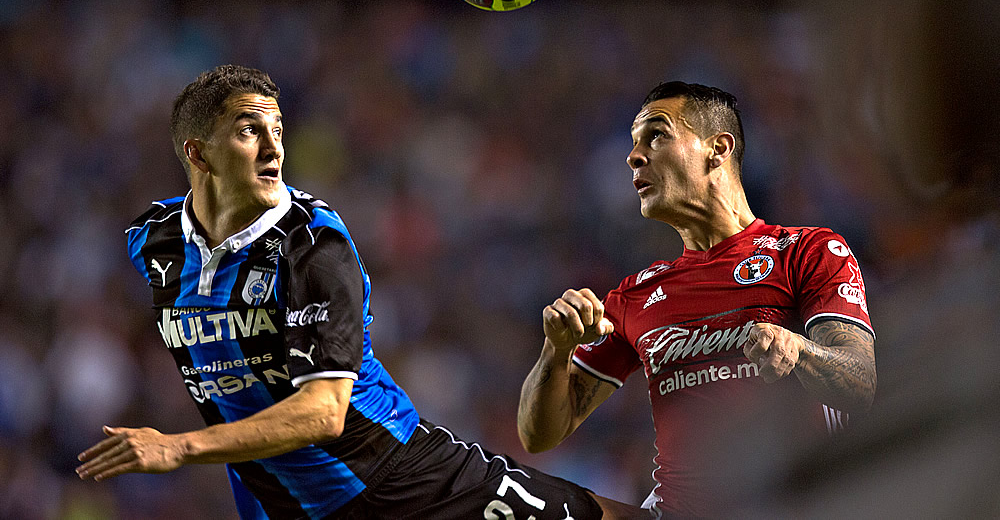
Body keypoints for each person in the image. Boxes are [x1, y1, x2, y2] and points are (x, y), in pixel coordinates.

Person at [75, 65, 647, 520]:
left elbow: (324, 414)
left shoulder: (313, 247)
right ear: (197, 154)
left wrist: (178, 447)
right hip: (282, 503)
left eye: (278, 130)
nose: (274, 147)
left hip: (398, 481)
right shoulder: (152, 240)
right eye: (250, 131)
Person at [517, 82, 877, 518]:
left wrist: (799, 349)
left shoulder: (808, 252)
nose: (634, 156)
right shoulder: (634, 296)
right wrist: (556, 349)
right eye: (634, 143)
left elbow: (860, 384)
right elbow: (539, 436)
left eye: (656, 135)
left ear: (718, 148)